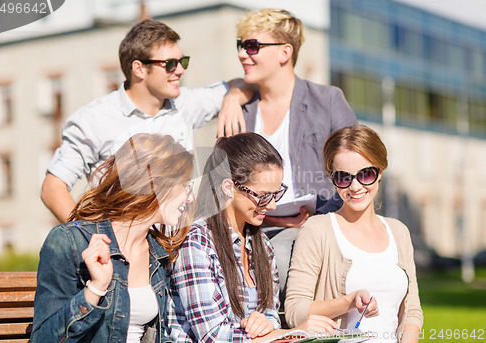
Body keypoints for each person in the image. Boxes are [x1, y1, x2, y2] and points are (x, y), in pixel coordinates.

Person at [41, 19, 250, 223]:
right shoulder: (92, 120)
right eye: (170, 64)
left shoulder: (184, 104)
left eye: (182, 61)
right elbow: (52, 188)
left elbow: (245, 84)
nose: (180, 70)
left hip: (181, 246)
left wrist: (232, 98)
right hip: (127, 251)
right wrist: (89, 239)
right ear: (139, 69)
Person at [233, 8, 358, 295]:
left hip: (314, 226)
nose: (242, 53)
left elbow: (357, 169)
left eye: (252, 45)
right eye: (240, 45)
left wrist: (319, 220)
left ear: (285, 52)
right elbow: (218, 186)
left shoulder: (327, 100)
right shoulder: (238, 111)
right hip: (251, 228)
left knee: (282, 253)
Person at [167, 133, 337, 342]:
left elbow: (271, 317)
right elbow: (212, 336)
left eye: (276, 194)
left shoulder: (262, 245)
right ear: (229, 187)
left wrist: (267, 325)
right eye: (263, 196)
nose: (272, 206)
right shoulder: (196, 243)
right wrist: (291, 333)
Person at [31, 133, 195, 342]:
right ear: (156, 184)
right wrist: (95, 289)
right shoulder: (70, 241)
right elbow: (43, 339)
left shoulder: (158, 252)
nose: (190, 198)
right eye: (185, 186)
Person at [285, 125, 423, 343]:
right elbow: (294, 311)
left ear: (380, 172)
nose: (355, 186)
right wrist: (348, 302)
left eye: (366, 174)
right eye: (343, 177)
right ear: (331, 177)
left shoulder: (399, 231)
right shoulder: (317, 230)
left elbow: (412, 311)